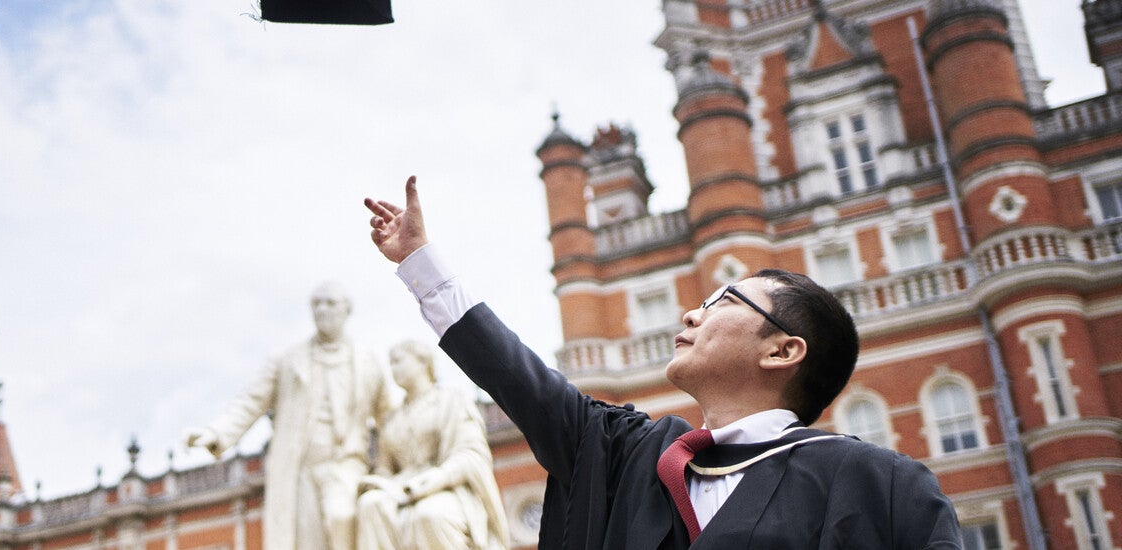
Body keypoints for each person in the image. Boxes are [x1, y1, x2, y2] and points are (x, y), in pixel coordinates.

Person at [362, 176, 960, 548]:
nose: (692, 315)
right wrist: (420, 262)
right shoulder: (632, 456)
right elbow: (523, 382)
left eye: (724, 300)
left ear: (782, 350)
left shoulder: (879, 486)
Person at [186, 282, 395, 550]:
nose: (322, 310)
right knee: (308, 541)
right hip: (301, 466)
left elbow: (390, 417)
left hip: (347, 463)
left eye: (330, 303)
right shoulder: (288, 361)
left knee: (340, 516)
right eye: (316, 304)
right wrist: (216, 433)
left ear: (346, 309)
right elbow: (250, 400)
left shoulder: (368, 361)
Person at [356, 340, 509, 549]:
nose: (392, 369)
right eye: (390, 364)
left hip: (447, 486)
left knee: (429, 514)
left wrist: (438, 478)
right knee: (370, 504)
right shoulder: (391, 418)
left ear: (422, 361)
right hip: (400, 487)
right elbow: (385, 466)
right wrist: (377, 481)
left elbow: (471, 452)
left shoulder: (452, 400)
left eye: (398, 361)